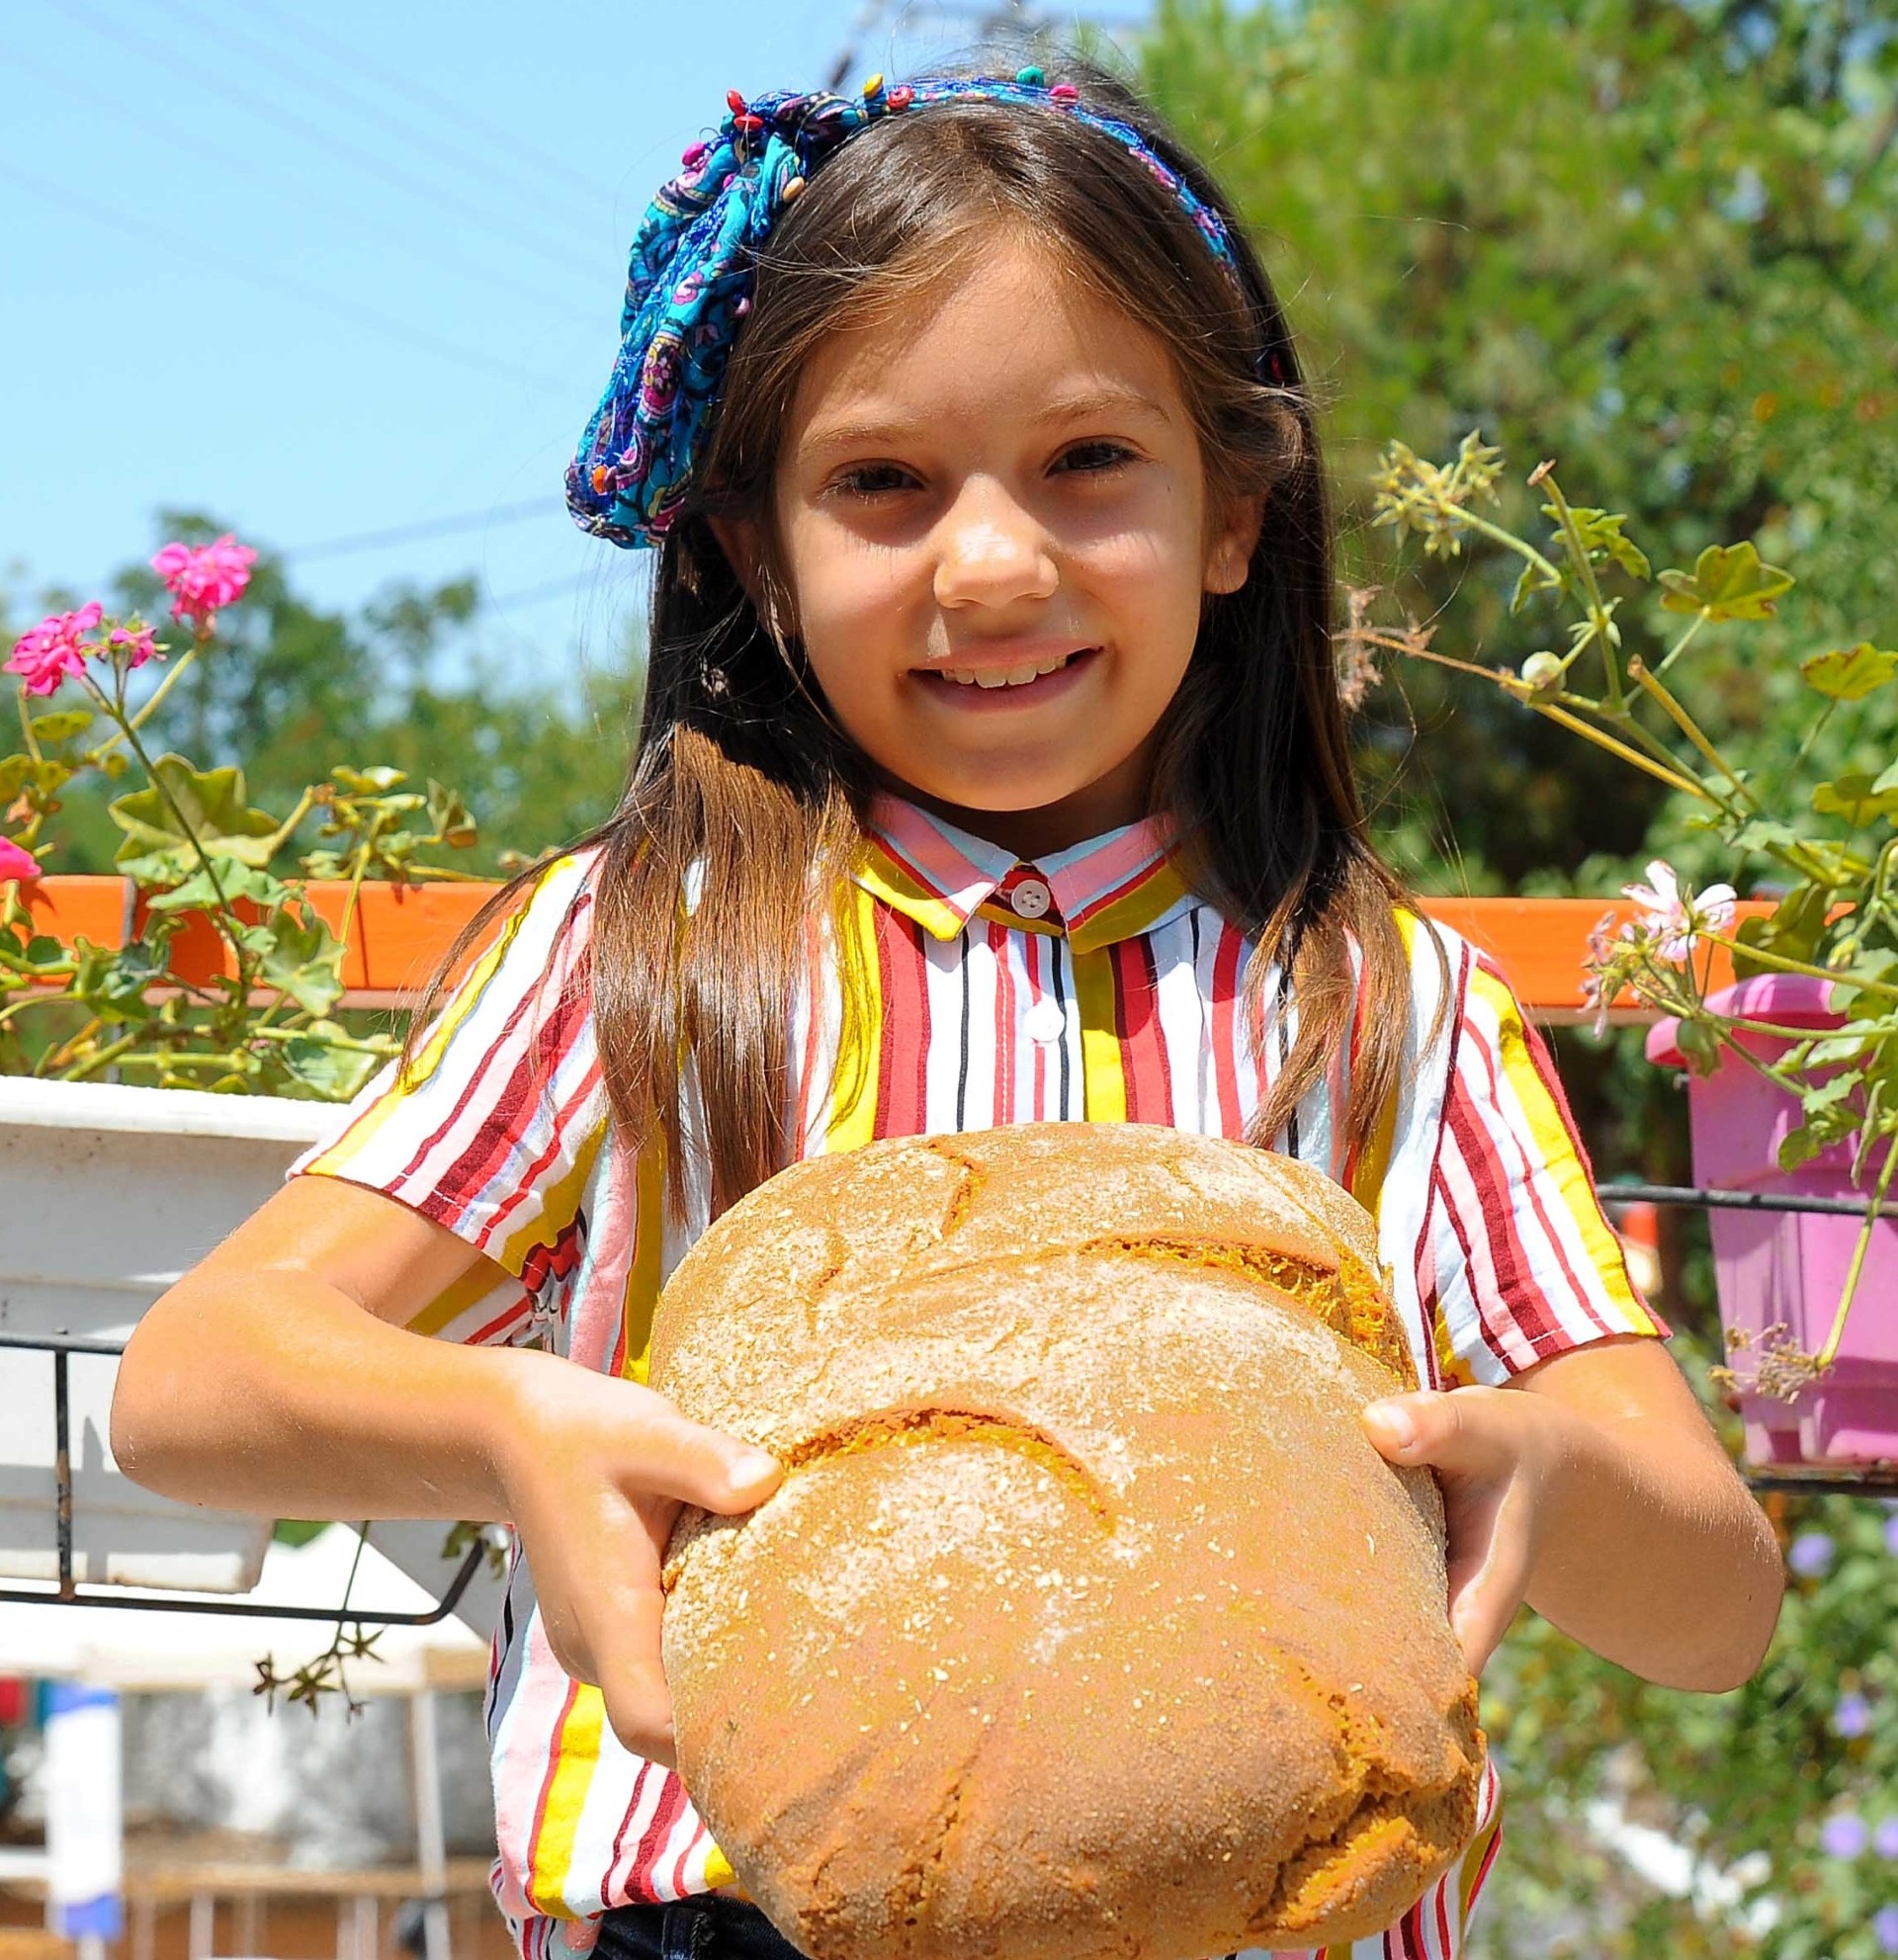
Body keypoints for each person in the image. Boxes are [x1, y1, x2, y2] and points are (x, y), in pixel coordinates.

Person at [111, 62, 1783, 1960]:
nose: (993, 565)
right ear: (758, 552)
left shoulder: (1392, 1008)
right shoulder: (639, 954)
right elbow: (192, 1381)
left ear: (1239, 509)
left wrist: (1547, 1472)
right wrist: (506, 1424)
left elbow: (1714, 1617)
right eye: (883, 484)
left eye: (1088, 462)